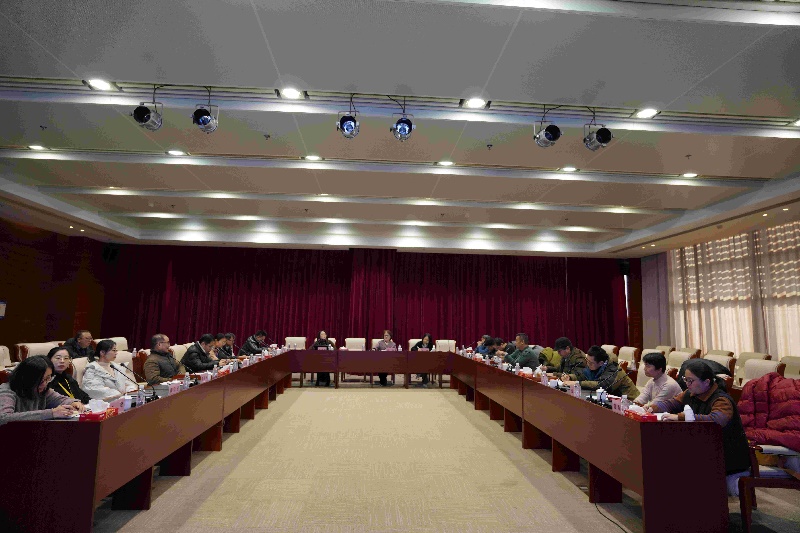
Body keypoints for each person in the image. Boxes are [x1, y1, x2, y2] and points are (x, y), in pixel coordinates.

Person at [651, 359, 750, 477]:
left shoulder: (721, 400)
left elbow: (716, 421)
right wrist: (652, 408)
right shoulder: (690, 393)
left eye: (690, 380)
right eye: (685, 379)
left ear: (707, 382)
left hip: (727, 457)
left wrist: (681, 417)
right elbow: (671, 403)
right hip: (705, 451)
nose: (687, 384)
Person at [0, 355, 85, 426]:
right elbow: (3, 418)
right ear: (26, 378)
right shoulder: (7, 391)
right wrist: (51, 413)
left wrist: (73, 403)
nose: (44, 384)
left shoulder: (43, 390)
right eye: (40, 380)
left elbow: (60, 399)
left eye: (48, 378)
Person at [563, 345, 638, 398]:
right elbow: (583, 375)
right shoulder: (594, 365)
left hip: (631, 401)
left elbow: (602, 385)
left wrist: (577, 383)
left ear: (601, 363)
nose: (588, 364)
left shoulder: (614, 369)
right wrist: (570, 377)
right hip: (612, 400)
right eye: (587, 361)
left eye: (590, 363)